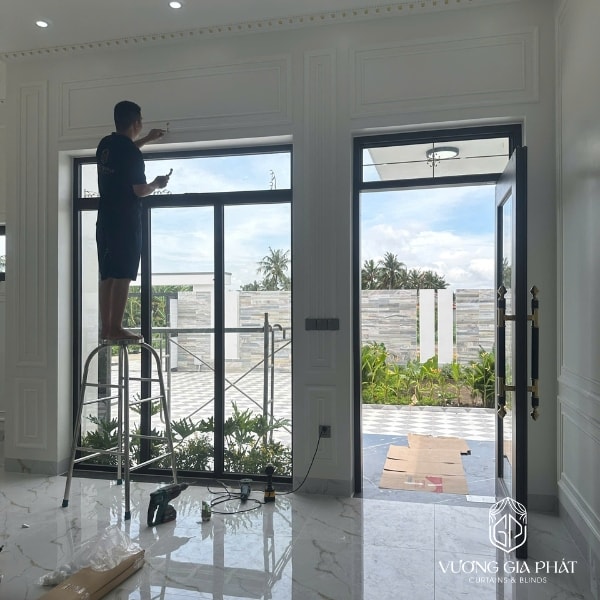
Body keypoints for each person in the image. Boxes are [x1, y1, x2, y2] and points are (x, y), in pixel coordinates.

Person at [96, 100, 171, 341]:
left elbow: (124, 155)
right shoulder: (132, 154)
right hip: (125, 221)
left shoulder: (105, 145)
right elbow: (139, 190)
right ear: (136, 122)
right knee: (123, 274)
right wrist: (156, 184)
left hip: (105, 219)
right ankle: (116, 328)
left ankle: (106, 327)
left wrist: (146, 139)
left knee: (108, 275)